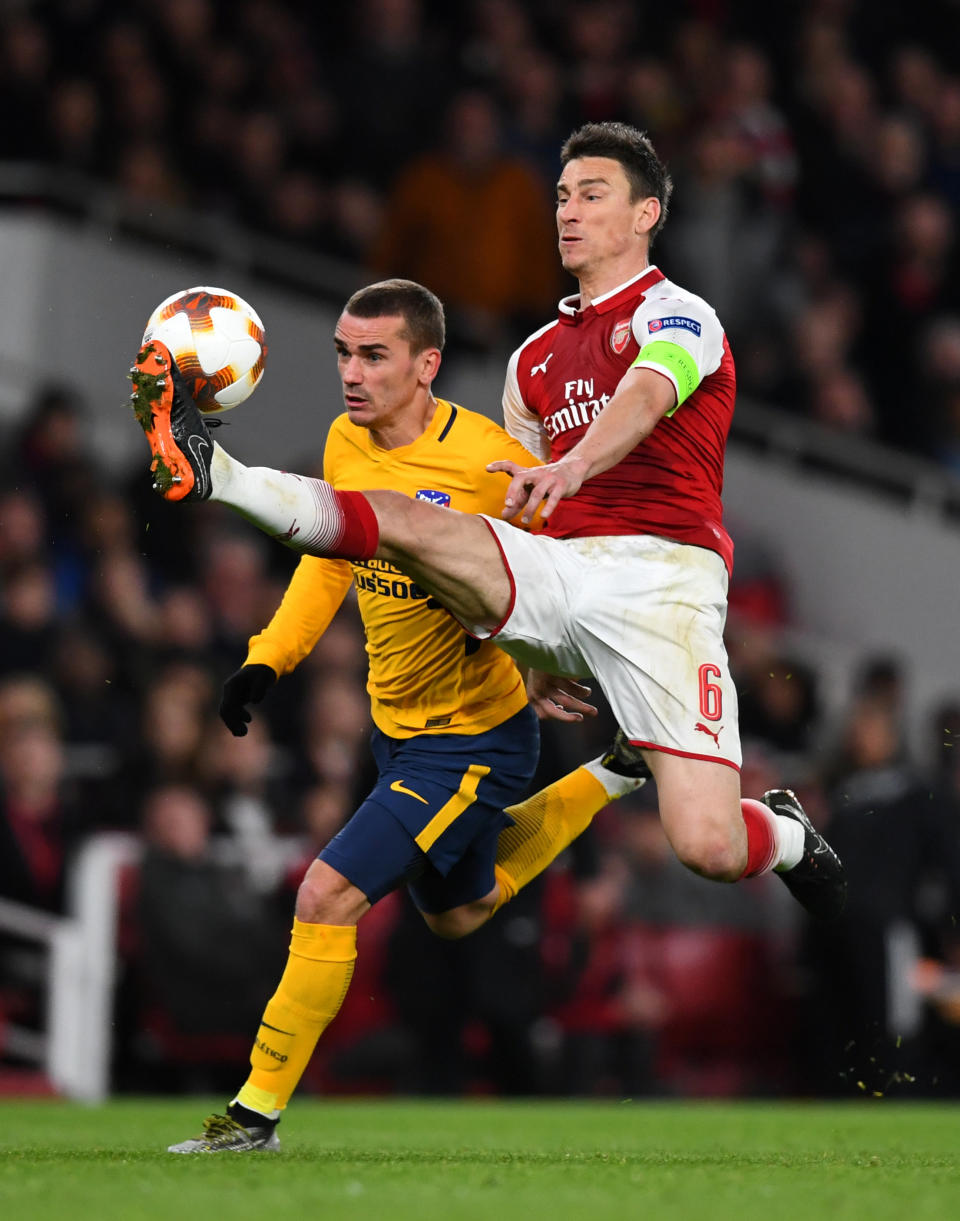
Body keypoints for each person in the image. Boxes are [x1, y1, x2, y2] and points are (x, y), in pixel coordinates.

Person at [131, 119, 846, 1071]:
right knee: (412, 519)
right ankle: (214, 470)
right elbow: (516, 523)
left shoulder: (680, 315)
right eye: (560, 194)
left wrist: (578, 461)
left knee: (707, 845)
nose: (570, 210)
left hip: (663, 583)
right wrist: (530, 641)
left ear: (647, 213)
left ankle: (787, 836)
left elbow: (648, 392)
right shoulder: (531, 363)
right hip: (564, 574)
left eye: (593, 193)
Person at [150, 278, 647, 1152]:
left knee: (324, 893)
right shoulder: (348, 441)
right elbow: (332, 556)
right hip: (396, 731)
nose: (351, 371)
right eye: (343, 351)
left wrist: (535, 659)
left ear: (428, 365)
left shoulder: (488, 461)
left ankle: (252, 1115)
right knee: (459, 910)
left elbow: (547, 578)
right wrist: (271, 655)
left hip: (474, 741)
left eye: (373, 355)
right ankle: (613, 772)